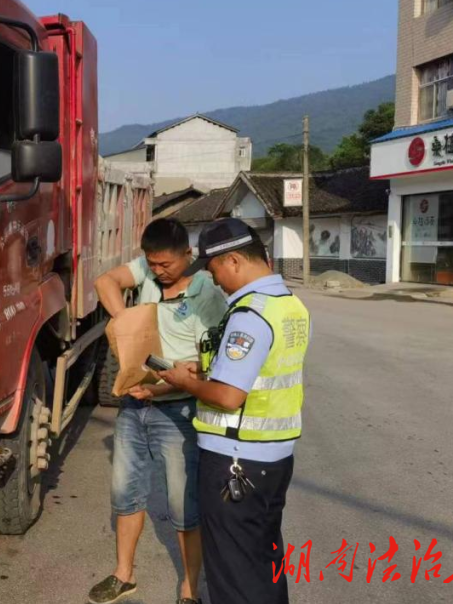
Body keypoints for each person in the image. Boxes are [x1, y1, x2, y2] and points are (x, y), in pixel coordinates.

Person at [157, 218, 310, 604]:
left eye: (214, 271)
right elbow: (259, 369)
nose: (214, 281)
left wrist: (184, 382)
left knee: (233, 572)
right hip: (273, 457)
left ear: (235, 261)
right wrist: (205, 369)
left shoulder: (249, 315)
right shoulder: (289, 304)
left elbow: (227, 397)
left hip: (235, 459)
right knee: (261, 560)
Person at [89, 218, 228, 604]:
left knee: (184, 504)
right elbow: (105, 282)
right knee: (126, 493)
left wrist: (165, 384)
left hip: (178, 410)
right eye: (152, 264)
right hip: (134, 405)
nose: (158, 271)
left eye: (166, 264)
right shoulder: (147, 270)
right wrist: (128, 322)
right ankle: (123, 574)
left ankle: (189, 589)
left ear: (187, 254)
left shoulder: (207, 293)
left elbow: (208, 364)